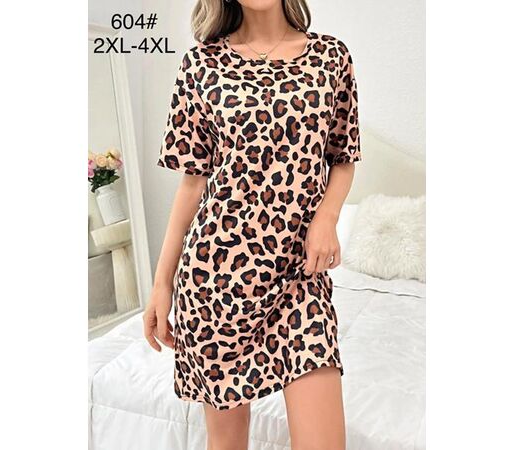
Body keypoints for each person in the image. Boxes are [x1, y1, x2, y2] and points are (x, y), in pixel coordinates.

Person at [144, 0, 360, 448]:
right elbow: (192, 184)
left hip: (299, 278)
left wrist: (327, 217)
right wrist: (162, 284)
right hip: (217, 281)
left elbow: (343, 154)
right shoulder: (200, 64)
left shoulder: (331, 56)